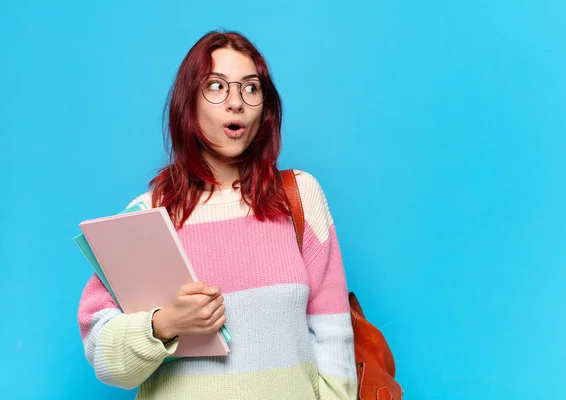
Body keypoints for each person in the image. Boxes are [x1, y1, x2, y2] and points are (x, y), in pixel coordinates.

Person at [77, 30, 357, 400]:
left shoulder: (299, 198)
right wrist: (164, 324)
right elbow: (102, 354)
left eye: (250, 88)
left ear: (265, 108)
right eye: (216, 86)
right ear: (188, 103)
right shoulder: (149, 214)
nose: (236, 102)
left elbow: (333, 336)